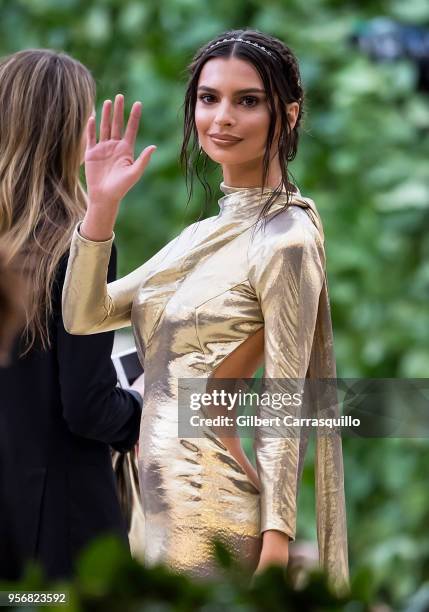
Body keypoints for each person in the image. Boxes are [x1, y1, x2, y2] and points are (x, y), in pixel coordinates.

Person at [62, 29, 349, 592]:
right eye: (208, 98)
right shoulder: (201, 235)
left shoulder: (285, 239)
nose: (222, 117)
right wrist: (100, 209)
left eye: (248, 100)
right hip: (153, 502)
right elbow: (84, 315)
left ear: (287, 116)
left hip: (211, 505)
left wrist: (275, 550)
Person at [0, 49, 145, 581]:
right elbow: (85, 407)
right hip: (58, 534)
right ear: (70, 132)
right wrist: (141, 407)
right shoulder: (77, 246)